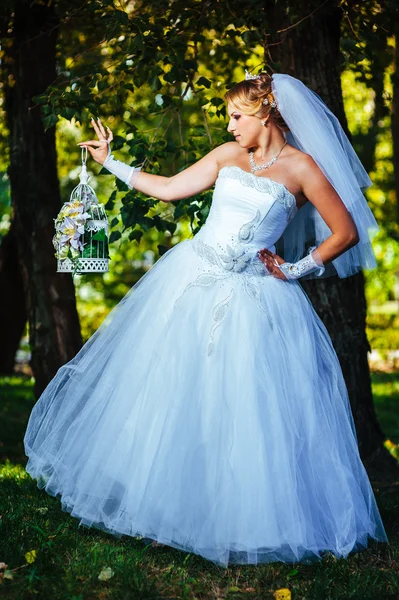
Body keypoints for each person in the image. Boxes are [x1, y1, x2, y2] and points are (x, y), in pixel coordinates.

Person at [24, 71, 388, 567]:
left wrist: (296, 268)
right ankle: (161, 508)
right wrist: (112, 163)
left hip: (255, 299)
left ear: (265, 113)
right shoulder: (227, 156)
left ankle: (237, 519)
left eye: (237, 116)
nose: (231, 124)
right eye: (229, 117)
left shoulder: (303, 169)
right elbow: (172, 188)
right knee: (174, 393)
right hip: (191, 281)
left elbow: (344, 232)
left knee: (242, 408)